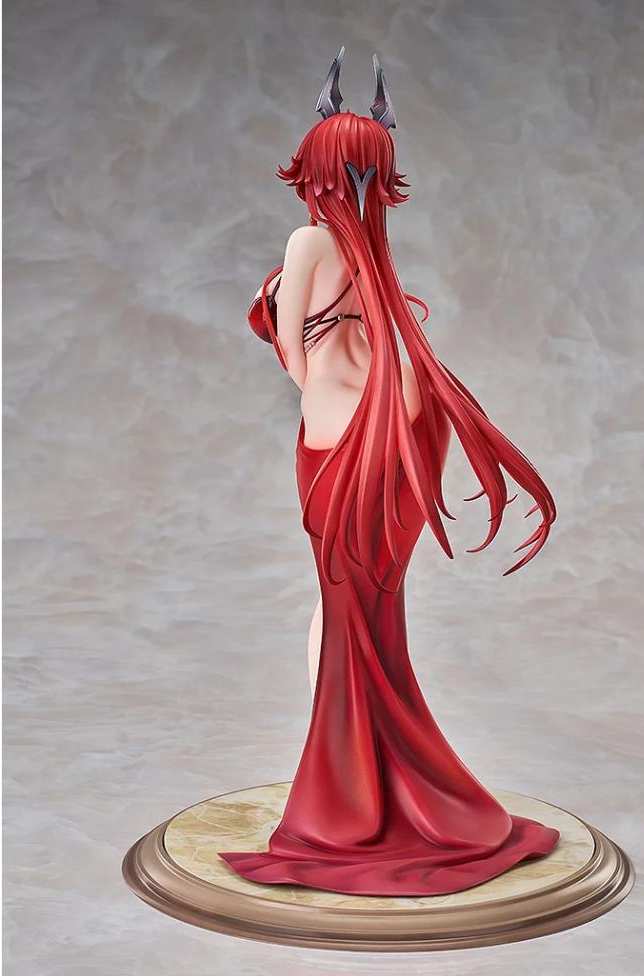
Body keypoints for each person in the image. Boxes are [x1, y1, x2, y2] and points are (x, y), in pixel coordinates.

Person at [221, 49, 560, 897]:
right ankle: (356, 767)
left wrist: (314, 379)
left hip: (338, 431)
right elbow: (375, 341)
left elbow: (292, 350)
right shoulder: (372, 245)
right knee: (364, 609)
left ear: (317, 166)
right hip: (394, 421)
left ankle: (340, 788)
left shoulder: (309, 239)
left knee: (346, 605)